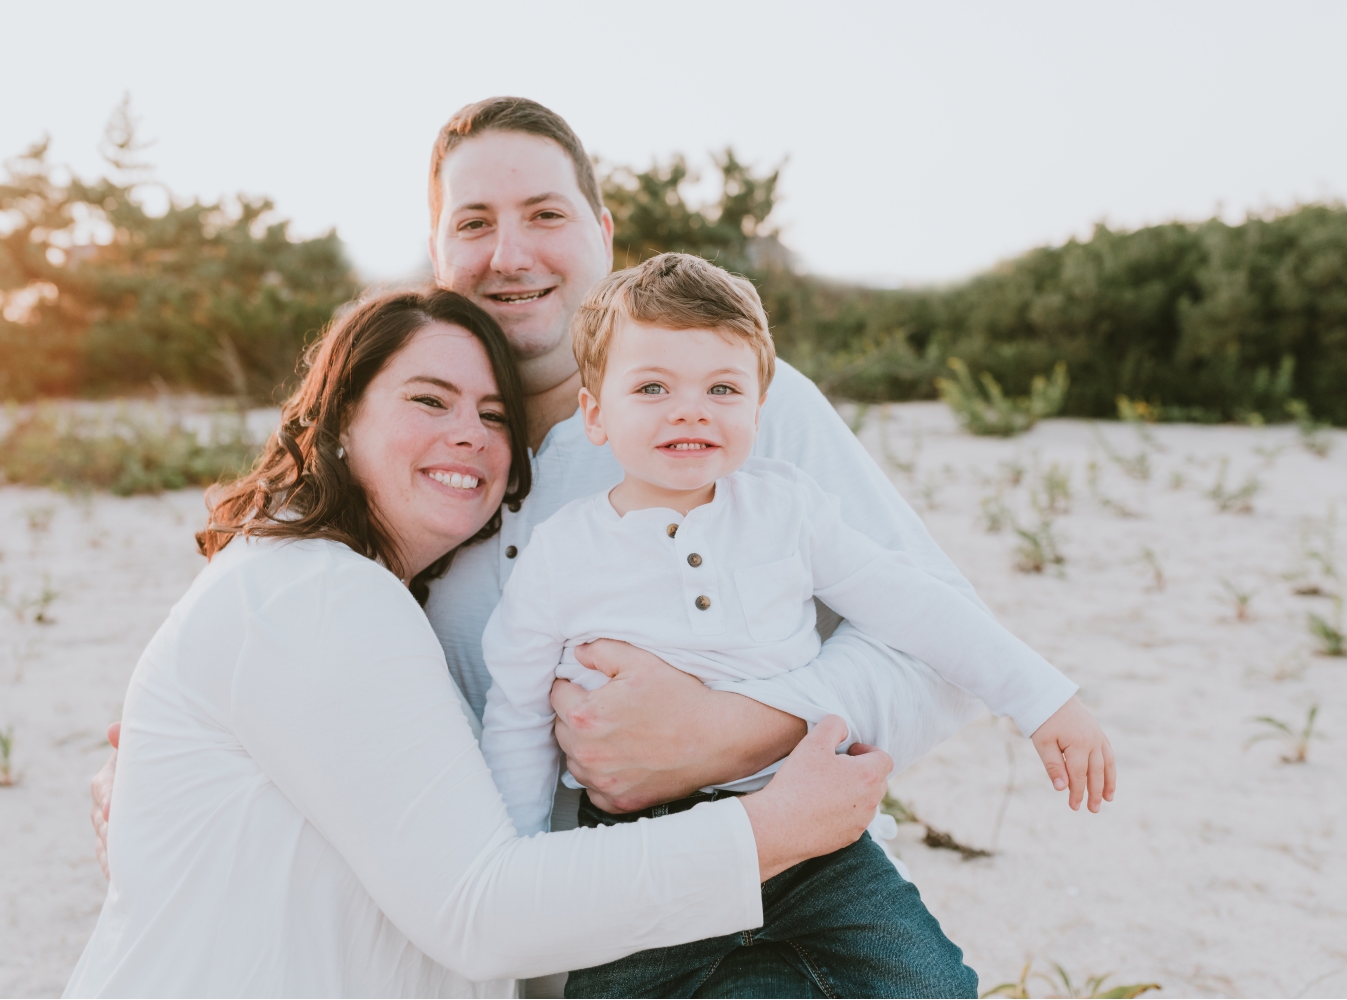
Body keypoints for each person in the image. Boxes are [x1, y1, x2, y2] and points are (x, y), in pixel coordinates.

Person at [91, 96, 1116, 994]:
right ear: (438, 250)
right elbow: (372, 703)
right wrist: (196, 776)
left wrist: (734, 730)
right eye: (475, 222)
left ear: (602, 230)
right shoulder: (439, 479)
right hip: (553, 947)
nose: (512, 251)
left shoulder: (731, 407)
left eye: (545, 213)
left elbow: (934, 645)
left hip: (782, 892)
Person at [64, 288, 891, 998]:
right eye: (429, 400)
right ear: (340, 417)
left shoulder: (357, 596)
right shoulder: (316, 590)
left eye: (494, 415)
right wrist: (767, 830)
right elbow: (479, 908)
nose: (469, 432)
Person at [480, 253, 1113, 997]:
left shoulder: (790, 510)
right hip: (647, 853)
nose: (691, 409)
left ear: (759, 405)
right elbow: (516, 711)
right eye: (652, 388)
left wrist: (1039, 696)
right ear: (596, 413)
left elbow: (914, 605)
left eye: (722, 388)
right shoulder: (564, 551)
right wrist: (518, 871)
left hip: (814, 830)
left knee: (930, 982)